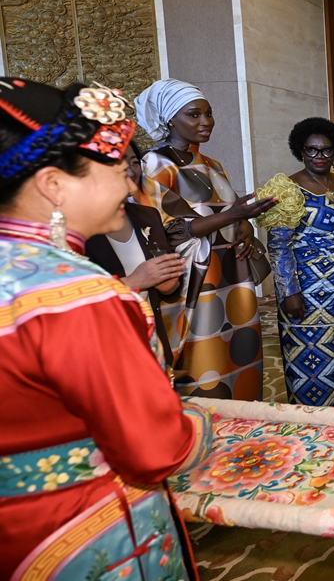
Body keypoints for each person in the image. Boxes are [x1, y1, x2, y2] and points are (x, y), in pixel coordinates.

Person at [0, 77, 211, 579]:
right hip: (86, 535)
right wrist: (198, 419)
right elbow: (157, 450)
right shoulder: (80, 295)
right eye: (118, 170)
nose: (131, 187)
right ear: (53, 185)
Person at [134, 79, 276, 400]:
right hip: (195, 280)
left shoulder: (212, 164)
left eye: (208, 114)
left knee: (241, 349)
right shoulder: (154, 164)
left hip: (232, 273)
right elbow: (166, 230)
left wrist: (245, 226)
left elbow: (229, 211)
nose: (205, 122)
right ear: (170, 119)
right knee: (204, 357)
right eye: (194, 115)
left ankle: (245, 417)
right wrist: (233, 216)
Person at [255, 117, 334, 408]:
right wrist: (288, 292)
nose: (319, 156)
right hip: (306, 294)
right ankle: (311, 424)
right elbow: (279, 247)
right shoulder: (287, 189)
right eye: (312, 150)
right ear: (300, 150)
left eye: (327, 150)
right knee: (310, 362)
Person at [85, 142, 184, 367]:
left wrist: (168, 284)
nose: (131, 174)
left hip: (151, 340)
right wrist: (134, 281)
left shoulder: (147, 216)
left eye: (134, 163)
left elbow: (165, 285)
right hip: (105, 348)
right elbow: (71, 298)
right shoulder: (73, 229)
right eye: (119, 166)